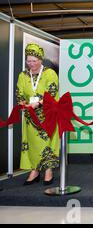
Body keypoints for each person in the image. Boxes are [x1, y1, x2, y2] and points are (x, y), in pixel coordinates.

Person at [16, 43, 60, 186]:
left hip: (47, 115)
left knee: (47, 144)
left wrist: (39, 103)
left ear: (41, 60)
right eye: (29, 61)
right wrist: (23, 103)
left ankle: (48, 171)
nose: (32, 64)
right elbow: (19, 93)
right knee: (33, 144)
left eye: (34, 61)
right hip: (30, 117)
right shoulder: (23, 75)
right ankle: (34, 171)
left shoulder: (49, 73)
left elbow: (52, 92)